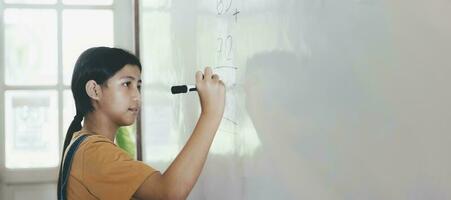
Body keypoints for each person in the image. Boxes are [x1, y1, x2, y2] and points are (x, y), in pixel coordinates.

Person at [57, 47, 225, 200]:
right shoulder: (93, 151)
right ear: (94, 90)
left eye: (138, 86)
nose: (137, 96)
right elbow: (168, 193)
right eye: (126, 84)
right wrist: (211, 114)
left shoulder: (84, 143)